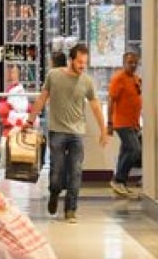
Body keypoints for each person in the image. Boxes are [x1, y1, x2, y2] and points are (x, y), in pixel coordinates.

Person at [25, 44, 108, 224]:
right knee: (57, 171)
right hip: (57, 132)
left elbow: (95, 105)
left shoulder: (87, 81)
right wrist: (30, 121)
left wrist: (104, 129)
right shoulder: (53, 76)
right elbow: (42, 98)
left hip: (77, 133)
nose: (82, 66)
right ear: (71, 60)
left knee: (76, 171)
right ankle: (54, 193)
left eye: (85, 63)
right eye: (79, 62)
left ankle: (71, 209)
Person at [108, 51, 142, 198]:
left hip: (133, 123)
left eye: (135, 62)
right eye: (130, 62)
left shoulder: (136, 79)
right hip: (121, 123)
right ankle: (118, 179)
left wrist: (137, 122)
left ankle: (120, 182)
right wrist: (109, 122)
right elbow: (111, 101)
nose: (133, 65)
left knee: (125, 151)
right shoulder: (118, 78)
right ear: (124, 63)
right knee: (135, 150)